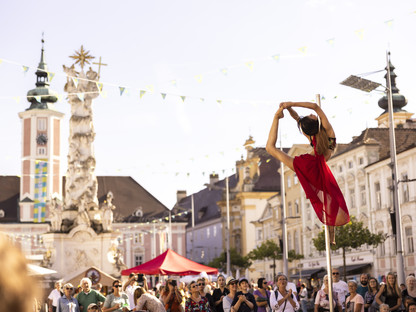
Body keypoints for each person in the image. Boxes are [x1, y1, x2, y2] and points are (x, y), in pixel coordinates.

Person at [266, 102, 350, 244]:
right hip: (317, 168)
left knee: (270, 148)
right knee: (329, 199)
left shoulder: (311, 135)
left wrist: (287, 108)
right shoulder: (328, 133)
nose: (313, 114)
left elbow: (297, 118)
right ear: (315, 122)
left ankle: (276, 118)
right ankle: (332, 238)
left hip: (307, 166)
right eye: (312, 116)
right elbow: (315, 107)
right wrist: (291, 104)